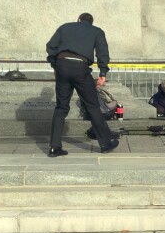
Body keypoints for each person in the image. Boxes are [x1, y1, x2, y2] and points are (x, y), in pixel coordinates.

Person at [46, 13, 119, 156]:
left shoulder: (65, 27)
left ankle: (54, 147)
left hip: (62, 65)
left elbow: (51, 46)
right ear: (91, 22)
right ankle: (105, 142)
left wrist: (55, 65)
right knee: (92, 106)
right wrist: (103, 73)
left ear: (78, 20)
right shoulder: (97, 31)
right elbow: (102, 53)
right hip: (80, 67)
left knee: (61, 107)